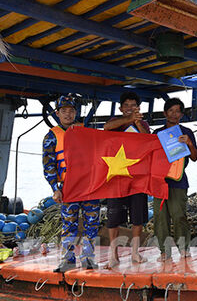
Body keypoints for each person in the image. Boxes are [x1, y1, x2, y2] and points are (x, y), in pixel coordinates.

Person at [42, 95, 100, 272]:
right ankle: (68, 259)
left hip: (89, 185)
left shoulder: (86, 131)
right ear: (57, 113)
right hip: (67, 187)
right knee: (69, 224)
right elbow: (49, 165)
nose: (68, 114)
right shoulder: (51, 136)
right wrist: (55, 189)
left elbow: (101, 155)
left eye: (71, 111)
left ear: (76, 112)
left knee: (92, 222)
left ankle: (88, 258)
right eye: (64, 111)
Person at [103, 91, 150, 267]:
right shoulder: (115, 122)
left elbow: (149, 140)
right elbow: (106, 129)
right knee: (113, 217)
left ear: (139, 108)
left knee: (138, 218)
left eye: (134, 106)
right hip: (116, 179)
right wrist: (129, 120)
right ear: (121, 108)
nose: (130, 108)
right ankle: (113, 254)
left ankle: (135, 253)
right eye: (127, 106)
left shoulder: (142, 123)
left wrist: (138, 123)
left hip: (138, 179)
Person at [152, 98, 197, 260]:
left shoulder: (186, 132)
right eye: (170, 111)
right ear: (165, 113)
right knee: (160, 217)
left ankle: (184, 248)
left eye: (177, 111)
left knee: (179, 215)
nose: (174, 114)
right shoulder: (157, 133)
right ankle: (164, 251)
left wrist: (190, 145)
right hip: (159, 182)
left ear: (181, 114)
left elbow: (194, 157)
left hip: (179, 181)